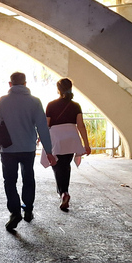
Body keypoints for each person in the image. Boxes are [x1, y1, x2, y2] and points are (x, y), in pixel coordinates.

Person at [0, 72, 56, 232]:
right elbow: (42, 127)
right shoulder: (35, 101)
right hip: (28, 147)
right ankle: (28, 209)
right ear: (26, 84)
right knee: (28, 177)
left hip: (8, 149)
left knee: (10, 181)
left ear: (10, 84)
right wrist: (49, 151)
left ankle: (14, 212)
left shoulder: (3, 101)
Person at [43, 78, 92, 212]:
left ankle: (63, 192)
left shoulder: (51, 105)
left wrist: (41, 138)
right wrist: (86, 144)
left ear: (58, 90)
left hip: (57, 137)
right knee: (65, 164)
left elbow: (46, 125)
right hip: (71, 137)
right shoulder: (76, 105)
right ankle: (64, 192)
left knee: (57, 165)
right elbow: (81, 126)